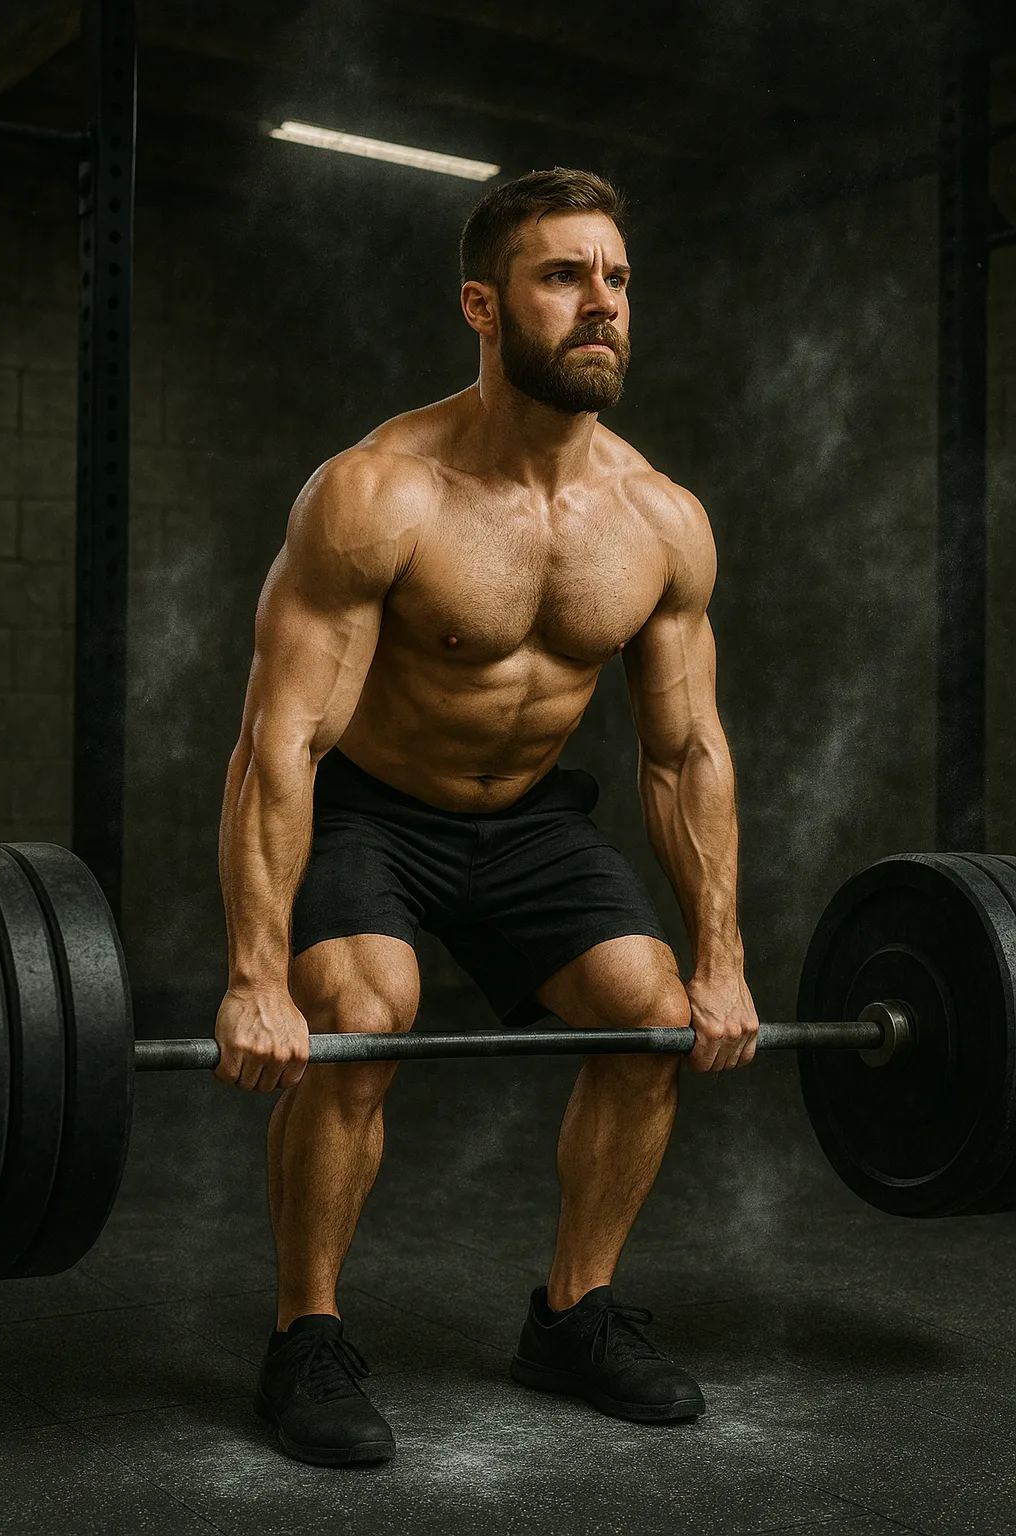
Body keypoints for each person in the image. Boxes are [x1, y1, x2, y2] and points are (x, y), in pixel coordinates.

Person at [215, 167, 759, 1467]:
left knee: (654, 1014)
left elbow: (685, 753)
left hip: (526, 825)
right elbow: (278, 740)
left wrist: (725, 958)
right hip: (371, 814)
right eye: (565, 275)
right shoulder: (377, 493)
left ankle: (573, 1315)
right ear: (482, 303)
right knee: (360, 1018)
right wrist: (253, 975)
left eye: (617, 279)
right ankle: (306, 1339)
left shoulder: (660, 520)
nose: (601, 304)